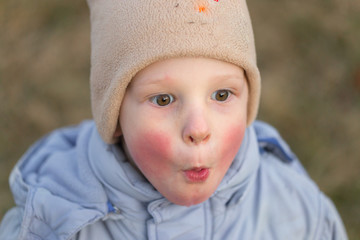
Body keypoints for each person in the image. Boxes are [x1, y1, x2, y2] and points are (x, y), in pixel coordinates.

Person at [0, 0, 348, 239]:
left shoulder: (296, 207)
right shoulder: (55, 223)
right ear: (116, 113)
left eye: (222, 95)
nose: (198, 129)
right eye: (164, 99)